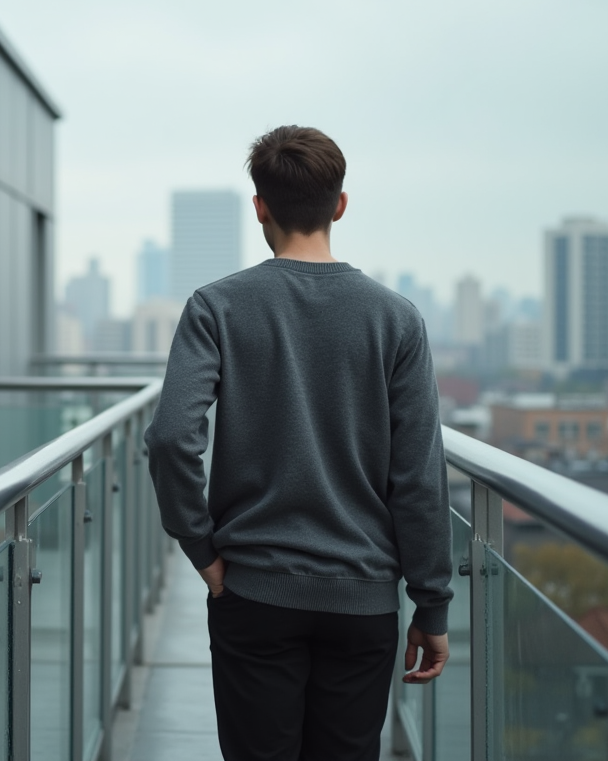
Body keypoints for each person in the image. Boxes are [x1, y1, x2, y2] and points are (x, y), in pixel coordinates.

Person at [145, 125, 453, 761]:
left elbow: (173, 436)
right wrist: (432, 602)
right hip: (362, 598)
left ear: (260, 206)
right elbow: (419, 476)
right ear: (340, 204)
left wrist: (201, 549)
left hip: (253, 591)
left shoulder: (217, 306)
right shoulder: (397, 319)